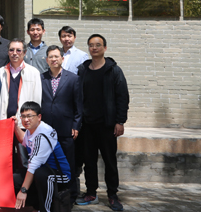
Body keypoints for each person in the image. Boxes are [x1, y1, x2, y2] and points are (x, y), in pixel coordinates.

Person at [75, 34, 129, 212]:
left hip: (107, 125)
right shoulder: (83, 70)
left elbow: (122, 97)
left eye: (98, 45)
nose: (94, 48)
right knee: (89, 161)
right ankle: (91, 193)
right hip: (87, 125)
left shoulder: (114, 70)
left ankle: (112, 195)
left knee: (109, 161)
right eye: (91, 45)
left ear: (104, 48)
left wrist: (120, 121)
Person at [40, 45, 83, 204]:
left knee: (67, 163)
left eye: (56, 56)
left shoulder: (73, 79)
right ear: (47, 60)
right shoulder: (41, 78)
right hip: (46, 129)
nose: (54, 59)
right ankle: (51, 195)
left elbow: (78, 105)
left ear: (62, 59)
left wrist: (76, 126)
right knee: (48, 162)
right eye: (50, 57)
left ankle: (70, 196)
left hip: (66, 129)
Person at [13, 101, 71, 212]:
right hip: (42, 171)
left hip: (60, 174)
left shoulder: (44, 133)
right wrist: (15, 126)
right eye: (23, 116)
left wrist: (23, 191)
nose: (26, 120)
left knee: (40, 174)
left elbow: (33, 165)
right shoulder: (31, 130)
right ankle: (35, 205)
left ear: (39, 117)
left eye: (29, 116)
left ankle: (46, 209)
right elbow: (24, 140)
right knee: (15, 179)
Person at [0, 39, 42, 120]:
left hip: (25, 121)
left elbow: (37, 99)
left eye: (18, 50)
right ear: (8, 52)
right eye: (11, 50)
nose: (14, 53)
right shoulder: (0, 72)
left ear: (24, 53)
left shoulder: (33, 73)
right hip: (4, 120)